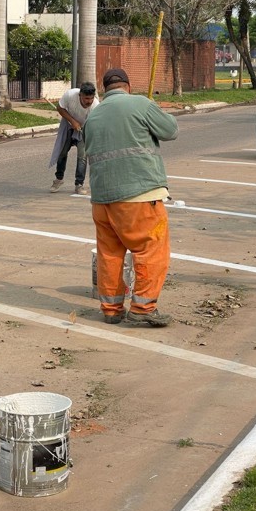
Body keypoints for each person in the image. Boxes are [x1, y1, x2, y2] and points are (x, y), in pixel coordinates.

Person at [83, 68, 178, 327]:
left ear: (104, 89)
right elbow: (170, 130)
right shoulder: (141, 104)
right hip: (139, 195)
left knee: (110, 254)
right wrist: (155, 108)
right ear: (128, 85)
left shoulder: (93, 117)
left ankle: (112, 308)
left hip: (102, 200)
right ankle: (143, 307)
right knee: (150, 249)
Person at [49, 82, 99, 195]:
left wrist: (83, 128)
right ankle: (59, 179)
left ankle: (79, 185)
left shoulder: (96, 106)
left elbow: (95, 124)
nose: (89, 101)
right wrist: (72, 121)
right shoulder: (70, 95)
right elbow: (60, 108)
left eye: (91, 98)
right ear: (80, 95)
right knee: (62, 152)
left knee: (82, 156)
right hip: (68, 125)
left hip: (84, 129)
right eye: (86, 98)